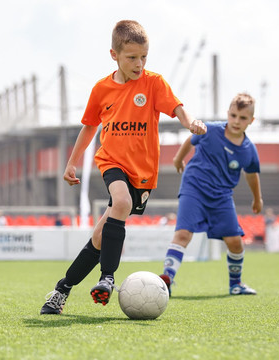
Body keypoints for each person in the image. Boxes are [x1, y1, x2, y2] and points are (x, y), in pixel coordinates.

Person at [40, 20, 207, 315]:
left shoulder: (154, 83)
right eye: (132, 57)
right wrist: (71, 163)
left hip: (143, 173)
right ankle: (107, 277)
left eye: (144, 57)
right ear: (113, 55)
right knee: (121, 201)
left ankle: (61, 289)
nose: (139, 63)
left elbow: (178, 107)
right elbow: (89, 128)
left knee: (99, 238)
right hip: (112, 162)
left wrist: (190, 122)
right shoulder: (101, 89)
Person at [160, 93, 263, 296]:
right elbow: (191, 139)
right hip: (194, 188)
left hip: (221, 196)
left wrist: (257, 198)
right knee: (183, 234)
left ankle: (236, 284)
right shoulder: (211, 130)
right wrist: (179, 158)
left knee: (235, 241)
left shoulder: (249, 150)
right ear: (228, 114)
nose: (236, 121)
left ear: (251, 121)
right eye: (233, 115)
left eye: (242, 118)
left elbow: (252, 175)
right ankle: (166, 281)